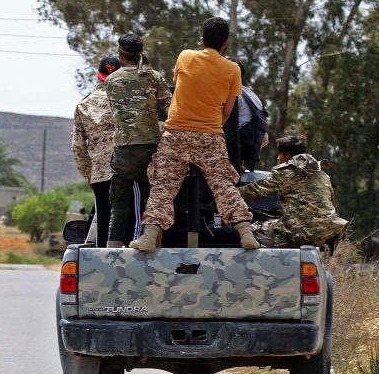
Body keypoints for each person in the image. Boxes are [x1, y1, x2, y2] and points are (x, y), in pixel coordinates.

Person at [130, 17, 259, 252]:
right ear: (226, 42)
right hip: (210, 135)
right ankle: (246, 233)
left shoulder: (185, 56)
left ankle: (149, 237)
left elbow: (182, 86)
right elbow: (228, 111)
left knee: (163, 185)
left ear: (202, 39)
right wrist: (210, 128)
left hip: (176, 134)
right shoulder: (233, 70)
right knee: (223, 185)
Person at [105, 34, 171, 248]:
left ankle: (113, 249)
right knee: (153, 203)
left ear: (120, 56)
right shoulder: (154, 77)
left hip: (123, 151)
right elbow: (171, 109)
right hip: (151, 149)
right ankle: (153, 246)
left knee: (119, 205)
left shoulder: (111, 80)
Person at [237, 134, 348, 248]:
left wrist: (230, 192)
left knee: (249, 230)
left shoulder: (285, 173)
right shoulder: (323, 175)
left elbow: (255, 190)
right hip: (328, 232)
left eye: (279, 154)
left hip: (301, 233)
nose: (278, 158)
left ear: (287, 155)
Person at [71, 56, 121, 247]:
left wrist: (89, 174)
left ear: (98, 76)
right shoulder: (130, 102)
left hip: (100, 175)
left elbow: (78, 146)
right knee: (130, 220)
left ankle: (104, 257)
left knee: (103, 221)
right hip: (128, 170)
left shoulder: (84, 105)